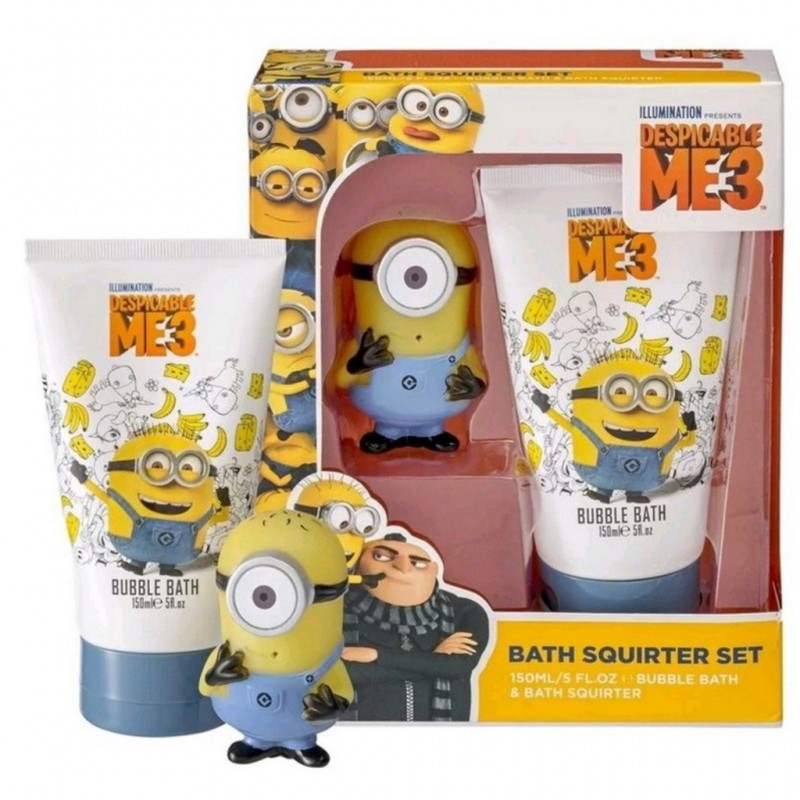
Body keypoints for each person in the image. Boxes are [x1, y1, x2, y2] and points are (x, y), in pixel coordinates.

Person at [342, 531, 489, 721]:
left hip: (443, 737)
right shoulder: (333, 611)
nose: (403, 567)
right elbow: (341, 675)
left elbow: (458, 667)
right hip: (356, 736)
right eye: (382, 556)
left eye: (417, 563)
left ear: (434, 570)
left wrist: (377, 655)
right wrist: (434, 661)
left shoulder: (465, 612)